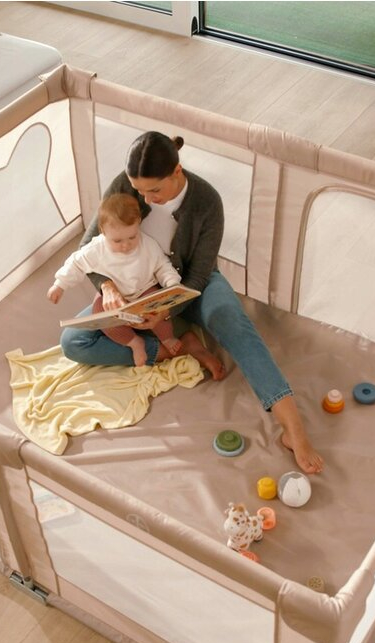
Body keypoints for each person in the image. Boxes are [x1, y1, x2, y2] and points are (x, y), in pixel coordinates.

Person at [60, 131, 323, 474]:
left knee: (231, 321)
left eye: (154, 190)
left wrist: (165, 310)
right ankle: (176, 348)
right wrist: (108, 287)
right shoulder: (124, 186)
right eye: (138, 190)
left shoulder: (206, 200)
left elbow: (198, 274)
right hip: (133, 290)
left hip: (191, 285)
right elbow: (88, 247)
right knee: (74, 342)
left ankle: (292, 425)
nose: (145, 199)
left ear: (177, 172)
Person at [48, 194, 183, 366]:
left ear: (138, 224)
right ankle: (134, 343)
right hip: (115, 298)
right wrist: (59, 285)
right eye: (117, 241)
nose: (126, 245)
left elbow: (163, 266)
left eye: (132, 237)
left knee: (157, 308)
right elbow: (75, 263)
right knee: (102, 314)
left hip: (144, 290)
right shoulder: (96, 249)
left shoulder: (148, 245)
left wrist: (172, 284)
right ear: (103, 232)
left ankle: (167, 338)